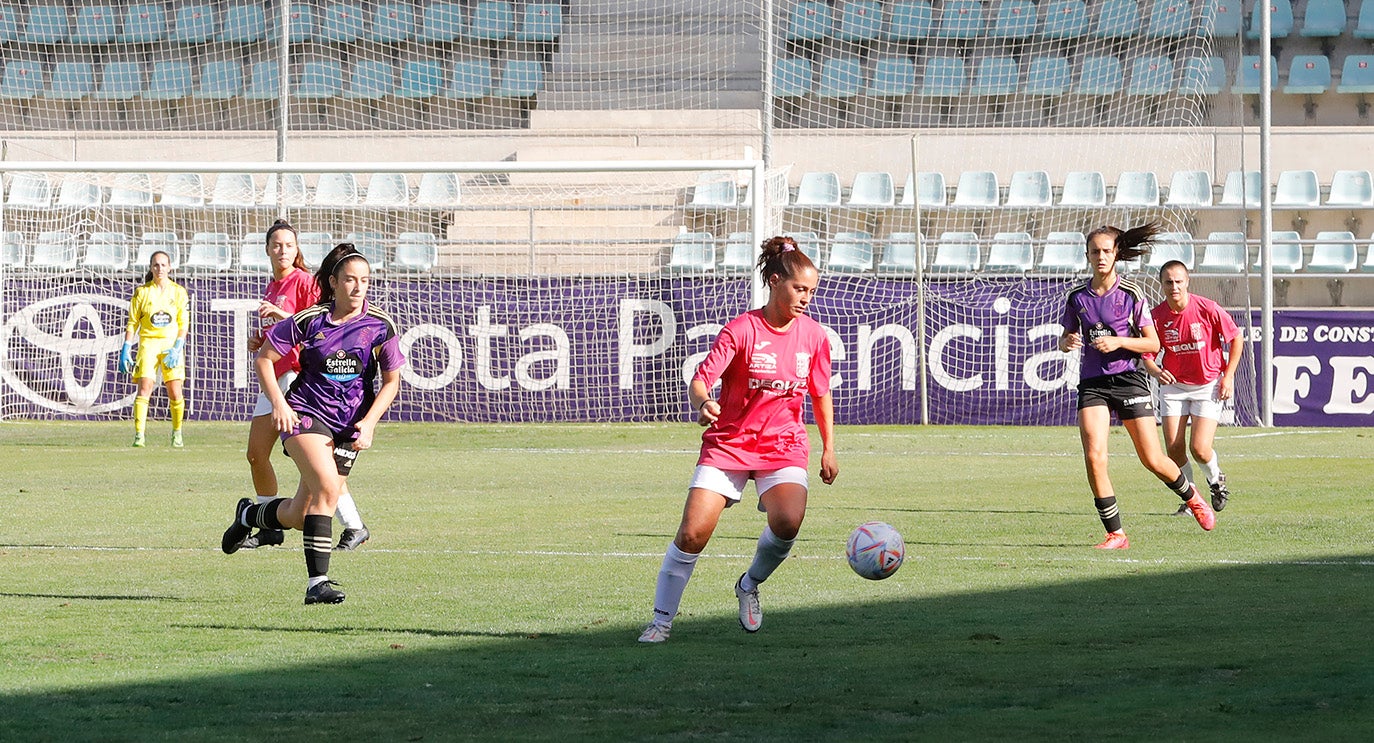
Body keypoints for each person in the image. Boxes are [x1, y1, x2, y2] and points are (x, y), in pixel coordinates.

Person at [639, 235, 838, 643]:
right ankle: (661, 622)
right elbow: (701, 380)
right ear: (775, 280)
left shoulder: (815, 336)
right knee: (693, 533)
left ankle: (748, 584)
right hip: (728, 442)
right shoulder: (742, 329)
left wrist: (829, 448)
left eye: (812, 291)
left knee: (787, 522)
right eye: (800, 288)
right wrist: (703, 402)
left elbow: (820, 394)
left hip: (783, 445)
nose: (806, 298)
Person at [221, 243, 405, 604]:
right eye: (350, 280)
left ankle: (249, 515)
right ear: (333, 282)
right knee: (326, 489)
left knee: (301, 515)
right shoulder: (311, 319)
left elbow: (391, 381)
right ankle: (316, 585)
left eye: (364, 281)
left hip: (348, 426)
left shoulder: (380, 325)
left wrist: (368, 424)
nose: (358, 287)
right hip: (305, 414)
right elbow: (264, 358)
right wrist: (279, 404)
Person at [1058, 224, 1216, 550]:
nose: (1100, 256)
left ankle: (1192, 496)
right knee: (1094, 456)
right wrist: (1067, 340)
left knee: (1152, 458)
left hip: (1128, 379)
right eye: (1095, 251)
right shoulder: (1077, 298)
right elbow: (1066, 337)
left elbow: (1152, 342)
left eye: (1106, 250)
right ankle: (1116, 534)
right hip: (1093, 383)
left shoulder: (1130, 294)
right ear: (1087, 255)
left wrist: (1116, 340)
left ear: (1116, 254)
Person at [241, 220, 371, 551]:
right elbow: (282, 335)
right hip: (275, 375)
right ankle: (268, 521)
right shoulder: (273, 285)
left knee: (318, 465)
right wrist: (263, 340)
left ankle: (353, 524)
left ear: (297, 249)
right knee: (256, 454)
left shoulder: (303, 283)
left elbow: (318, 324)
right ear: (267, 249)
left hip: (297, 380)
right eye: (276, 245)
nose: (282, 250)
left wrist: (282, 315)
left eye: (289, 244)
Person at [1142, 260, 1244, 514]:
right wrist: (1155, 370)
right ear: (1162, 284)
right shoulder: (1155, 317)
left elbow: (1236, 337)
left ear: (1187, 282)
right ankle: (1192, 501)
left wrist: (1228, 375)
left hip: (1208, 384)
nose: (1174, 287)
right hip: (1174, 387)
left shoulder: (1207, 308)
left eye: (1178, 281)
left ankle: (1216, 479)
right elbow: (1146, 353)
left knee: (1198, 448)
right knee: (1174, 450)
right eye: (1168, 282)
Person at [120, 250, 190, 448]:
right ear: (151, 268)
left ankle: (177, 433)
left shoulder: (178, 292)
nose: (160, 269)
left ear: (170, 267)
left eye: (163, 265)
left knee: (175, 392)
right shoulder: (142, 292)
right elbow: (132, 322)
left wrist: (178, 346)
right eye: (156, 265)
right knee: (145, 387)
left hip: (170, 346)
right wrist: (126, 347)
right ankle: (139, 435)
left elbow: (183, 322)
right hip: (148, 344)